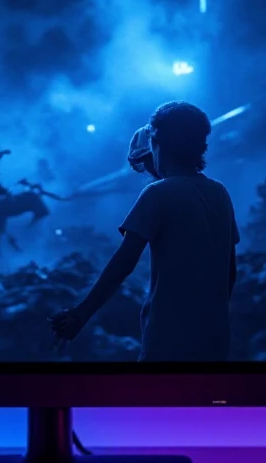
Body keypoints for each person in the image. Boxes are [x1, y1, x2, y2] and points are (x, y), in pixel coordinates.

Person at [50, 100, 240, 361]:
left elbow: (123, 263)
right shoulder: (219, 192)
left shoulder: (156, 194)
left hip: (168, 339)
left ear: (157, 143)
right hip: (216, 341)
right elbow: (229, 271)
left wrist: (80, 315)